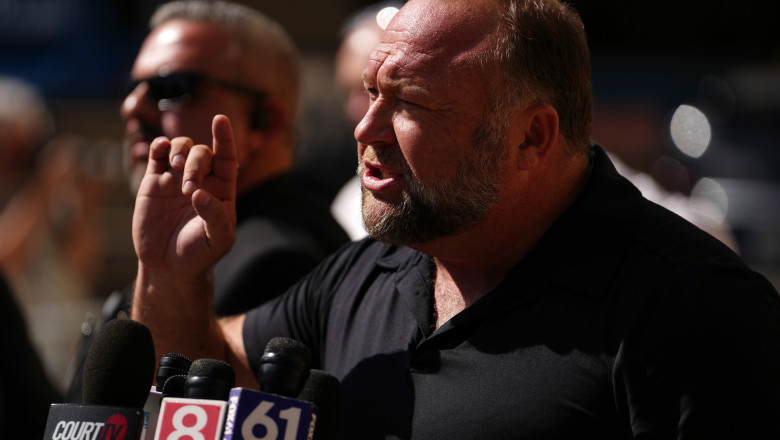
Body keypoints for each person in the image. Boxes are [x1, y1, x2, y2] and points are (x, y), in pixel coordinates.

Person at [130, 0, 780, 438]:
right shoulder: (372, 269)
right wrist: (169, 273)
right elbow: (206, 372)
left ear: (531, 136)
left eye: (410, 103)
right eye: (373, 92)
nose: (366, 128)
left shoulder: (690, 309)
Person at [119, 0, 349, 317]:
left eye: (171, 87)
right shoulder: (204, 241)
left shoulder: (279, 262)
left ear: (263, 123)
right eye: (131, 87)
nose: (131, 107)